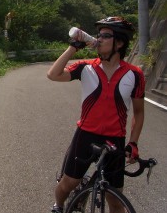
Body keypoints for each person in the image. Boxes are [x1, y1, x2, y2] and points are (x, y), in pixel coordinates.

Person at [46, 17, 145, 213]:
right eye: (98, 35)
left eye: (105, 35)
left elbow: (139, 113)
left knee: (115, 200)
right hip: (85, 135)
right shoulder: (86, 67)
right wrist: (73, 48)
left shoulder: (135, 74)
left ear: (119, 43)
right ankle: (58, 206)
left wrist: (133, 143)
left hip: (115, 139)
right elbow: (53, 74)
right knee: (68, 184)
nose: (99, 39)